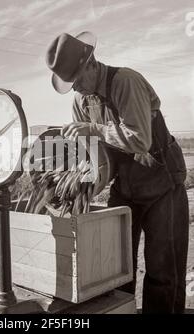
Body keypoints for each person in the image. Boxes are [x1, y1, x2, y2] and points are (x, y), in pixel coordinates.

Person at [45, 32, 189, 313]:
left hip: (162, 182)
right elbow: (100, 158)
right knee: (116, 271)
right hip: (126, 186)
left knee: (163, 271)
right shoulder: (81, 102)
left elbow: (140, 140)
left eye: (77, 81)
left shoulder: (125, 81)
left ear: (91, 64)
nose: (75, 89)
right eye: (70, 85)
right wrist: (83, 188)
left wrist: (94, 129)